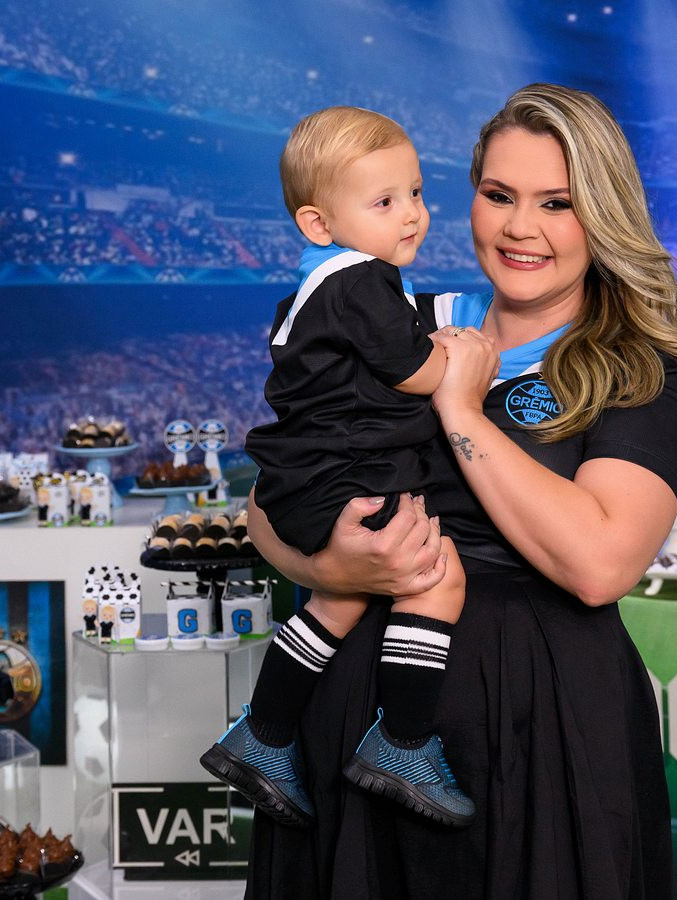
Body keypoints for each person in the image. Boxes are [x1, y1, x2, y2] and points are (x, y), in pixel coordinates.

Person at [240, 83, 677, 899]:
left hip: (541, 719)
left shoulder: (637, 365)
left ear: (602, 213)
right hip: (352, 707)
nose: (519, 227)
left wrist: (462, 409)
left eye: (556, 203)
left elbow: (601, 565)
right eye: (499, 195)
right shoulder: (394, 317)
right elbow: (269, 498)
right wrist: (331, 569)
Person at [202, 106, 476, 831]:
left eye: (415, 193)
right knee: (437, 577)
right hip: (351, 468)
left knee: (339, 599)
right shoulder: (361, 281)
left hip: (310, 476)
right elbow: (417, 371)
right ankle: (403, 742)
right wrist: (462, 359)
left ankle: (263, 733)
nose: (412, 214)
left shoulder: (320, 282)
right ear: (319, 223)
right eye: (385, 202)